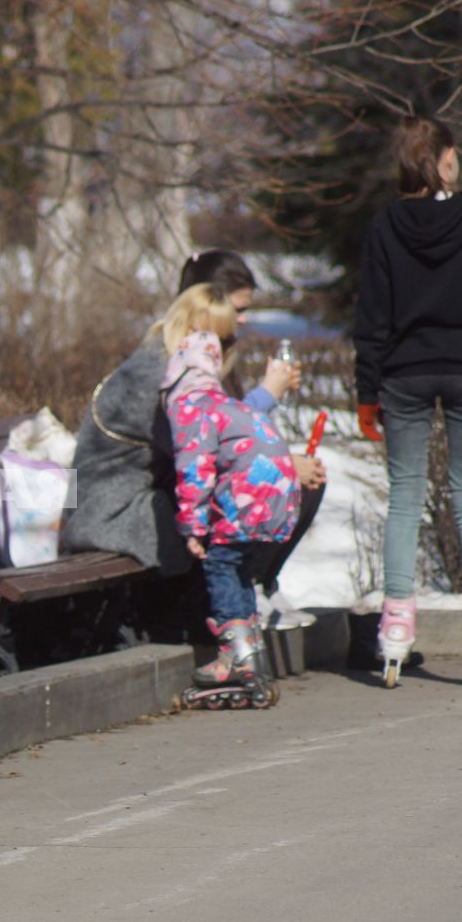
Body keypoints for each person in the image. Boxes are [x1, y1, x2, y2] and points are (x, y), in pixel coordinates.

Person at [63, 250, 327, 630]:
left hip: (151, 492)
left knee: (280, 485)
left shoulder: (183, 358)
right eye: (230, 323)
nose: (237, 329)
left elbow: (211, 439)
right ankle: (231, 602)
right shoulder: (160, 369)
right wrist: (274, 432)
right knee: (253, 489)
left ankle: (248, 592)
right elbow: (204, 448)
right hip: (109, 511)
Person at [355, 116, 462, 687]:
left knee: (405, 496)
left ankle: (396, 630)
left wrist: (366, 393)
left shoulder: (383, 227)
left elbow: (370, 318)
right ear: (444, 160)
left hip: (404, 372)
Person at [159, 285, 303, 701]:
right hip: (277, 494)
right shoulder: (226, 403)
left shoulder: (191, 407)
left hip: (249, 498)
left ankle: (234, 656)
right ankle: (250, 650)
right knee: (239, 566)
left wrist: (191, 526)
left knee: (220, 565)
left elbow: (194, 470)